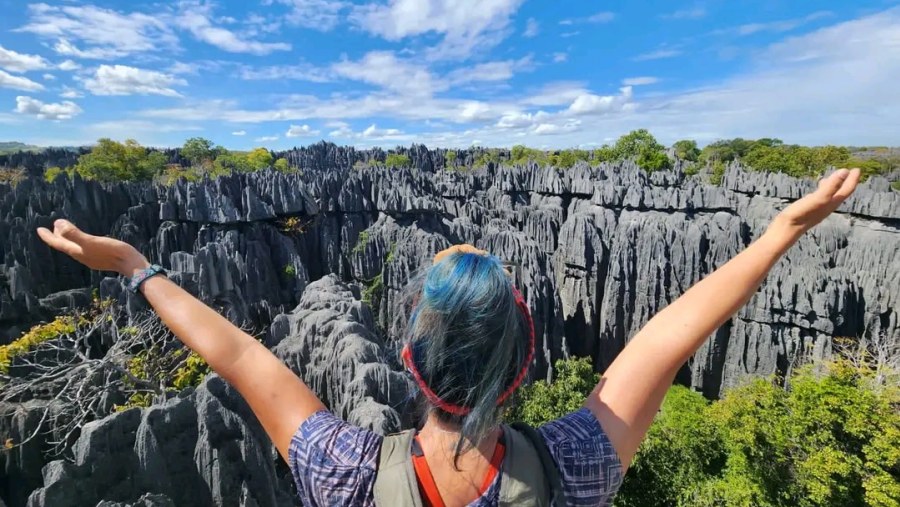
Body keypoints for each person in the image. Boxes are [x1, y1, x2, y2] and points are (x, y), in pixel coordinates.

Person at [36, 168, 861, 506]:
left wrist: (139, 267)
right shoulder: (573, 469)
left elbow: (243, 356)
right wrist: (780, 229)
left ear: (408, 361)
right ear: (523, 362)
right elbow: (666, 336)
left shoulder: (349, 476)